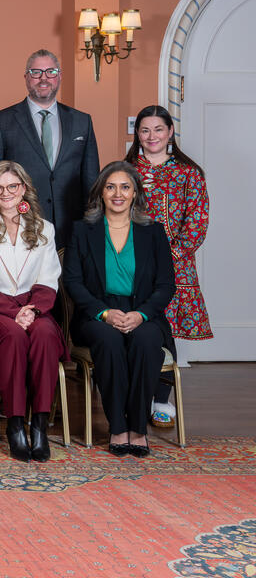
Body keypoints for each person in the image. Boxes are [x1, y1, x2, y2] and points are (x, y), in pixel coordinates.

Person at [64, 161, 175, 457]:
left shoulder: (153, 232)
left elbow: (166, 285)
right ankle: (118, 426)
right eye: (110, 187)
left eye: (125, 187)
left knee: (146, 341)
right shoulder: (82, 230)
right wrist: (104, 313)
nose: (118, 194)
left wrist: (141, 315)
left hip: (143, 312)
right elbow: (73, 282)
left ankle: (138, 428)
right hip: (96, 313)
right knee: (110, 340)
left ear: (135, 192)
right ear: (100, 192)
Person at [0, 161, 64, 462]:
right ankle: (15, 423)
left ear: (24, 189)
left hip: (34, 307)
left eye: (12, 186)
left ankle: (40, 425)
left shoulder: (44, 229)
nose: (6, 193)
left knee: (45, 335)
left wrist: (32, 311)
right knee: (13, 336)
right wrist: (14, 313)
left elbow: (48, 279)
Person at [125, 105, 209, 429]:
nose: (152, 136)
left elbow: (197, 223)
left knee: (165, 330)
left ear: (170, 131)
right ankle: (138, 396)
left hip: (174, 266)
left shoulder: (189, 173)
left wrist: (167, 257)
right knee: (134, 328)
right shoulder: (126, 171)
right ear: (137, 133)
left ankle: (161, 398)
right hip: (128, 265)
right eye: (145, 130)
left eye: (158, 129)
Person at [0, 49, 99, 249]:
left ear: (59, 76)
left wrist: (93, 226)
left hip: (73, 228)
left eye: (51, 72)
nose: (44, 78)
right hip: (19, 227)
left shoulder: (82, 121)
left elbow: (91, 180)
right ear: (26, 77)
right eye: (36, 72)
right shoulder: (1, 122)